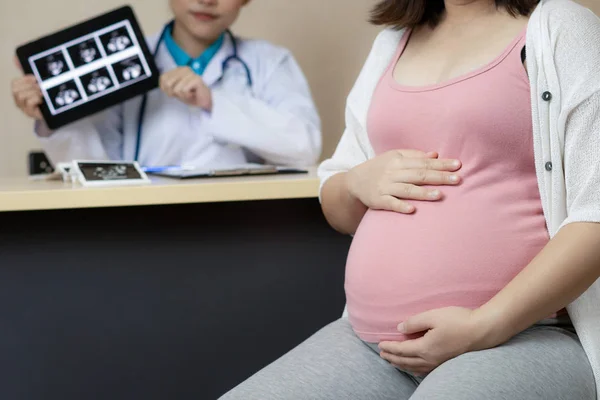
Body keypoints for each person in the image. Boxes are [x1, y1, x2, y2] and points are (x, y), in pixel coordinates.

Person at [220, 0, 600, 398]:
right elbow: (338, 205)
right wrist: (356, 183)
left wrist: (484, 325)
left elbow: (594, 215)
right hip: (370, 347)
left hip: (518, 337)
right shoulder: (391, 43)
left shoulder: (560, 28)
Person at [11, 0, 321, 169]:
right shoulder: (122, 64)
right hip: (144, 226)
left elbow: (304, 149)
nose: (207, 0)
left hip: (242, 226)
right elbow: (95, 167)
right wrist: (52, 119)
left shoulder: (269, 62)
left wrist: (213, 102)